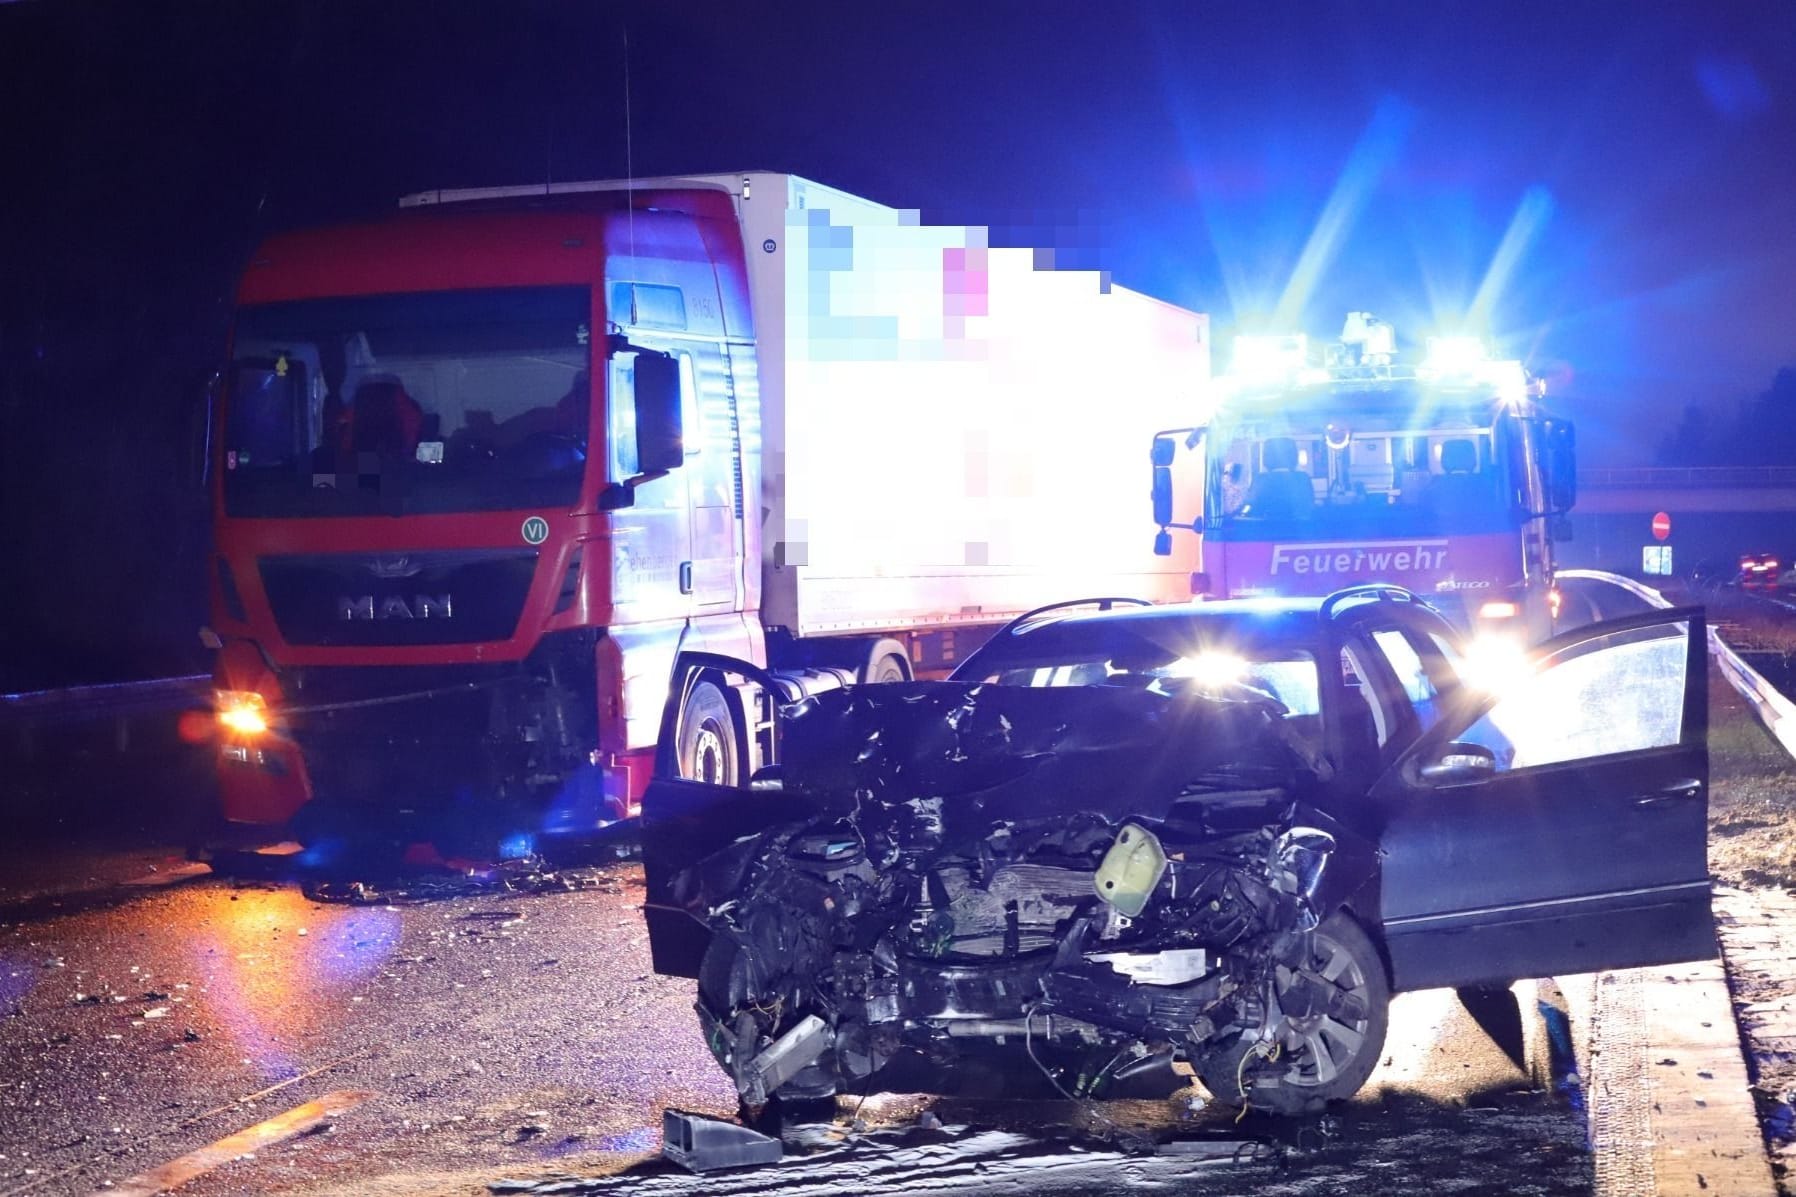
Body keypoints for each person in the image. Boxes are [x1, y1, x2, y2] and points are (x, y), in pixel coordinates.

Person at [1243, 436, 1316, 519]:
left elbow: (1252, 505)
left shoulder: (1260, 479)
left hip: (1266, 528)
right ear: (1294, 455)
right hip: (1297, 528)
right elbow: (1309, 505)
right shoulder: (1303, 478)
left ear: (1266, 457)